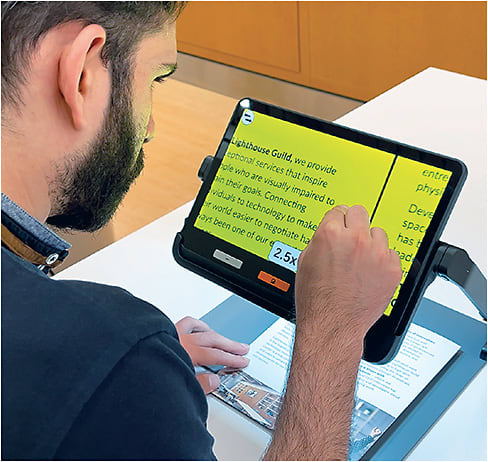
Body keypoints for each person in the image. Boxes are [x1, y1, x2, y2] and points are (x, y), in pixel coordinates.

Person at [1, 2, 402, 460]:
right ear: (82, 72)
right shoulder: (114, 353)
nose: (149, 126)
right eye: (154, 79)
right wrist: (336, 331)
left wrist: (135, 371)